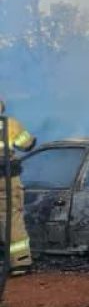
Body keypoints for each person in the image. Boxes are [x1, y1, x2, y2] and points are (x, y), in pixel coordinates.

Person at [0, 99, 36, 276]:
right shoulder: (10, 124)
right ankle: (19, 263)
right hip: (5, 181)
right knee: (11, 218)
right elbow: (27, 145)